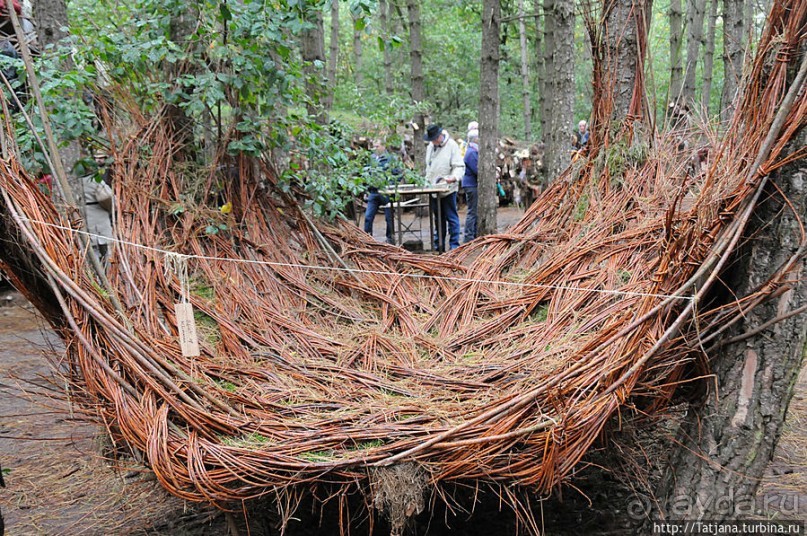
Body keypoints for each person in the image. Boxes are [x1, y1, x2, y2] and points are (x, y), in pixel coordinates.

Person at [424, 123, 464, 252]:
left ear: (440, 136)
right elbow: (429, 167)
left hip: (448, 189)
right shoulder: (430, 147)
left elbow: (459, 166)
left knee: (451, 217)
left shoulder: (452, 145)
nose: (434, 142)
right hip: (433, 189)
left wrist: (453, 177)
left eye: (435, 139)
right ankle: (439, 245)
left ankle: (454, 245)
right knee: (438, 219)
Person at [363, 139, 398, 244]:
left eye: (377, 146)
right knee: (368, 217)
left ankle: (390, 239)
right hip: (373, 192)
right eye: (374, 146)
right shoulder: (371, 159)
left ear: (383, 146)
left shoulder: (391, 159)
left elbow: (398, 174)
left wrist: (390, 186)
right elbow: (365, 174)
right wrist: (366, 189)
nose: (375, 149)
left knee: (389, 218)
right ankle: (368, 240)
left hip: (387, 192)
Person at [82, 152, 114, 263]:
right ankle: (108, 271)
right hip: (100, 213)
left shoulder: (77, 182)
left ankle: (97, 270)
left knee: (93, 246)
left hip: (86, 214)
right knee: (106, 245)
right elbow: (108, 194)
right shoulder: (94, 179)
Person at [462, 127, 479, 242]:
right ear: (475, 139)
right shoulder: (472, 153)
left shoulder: (471, 151)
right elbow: (476, 169)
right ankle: (468, 237)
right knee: (472, 211)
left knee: (474, 210)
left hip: (471, 184)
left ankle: (473, 234)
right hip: (471, 184)